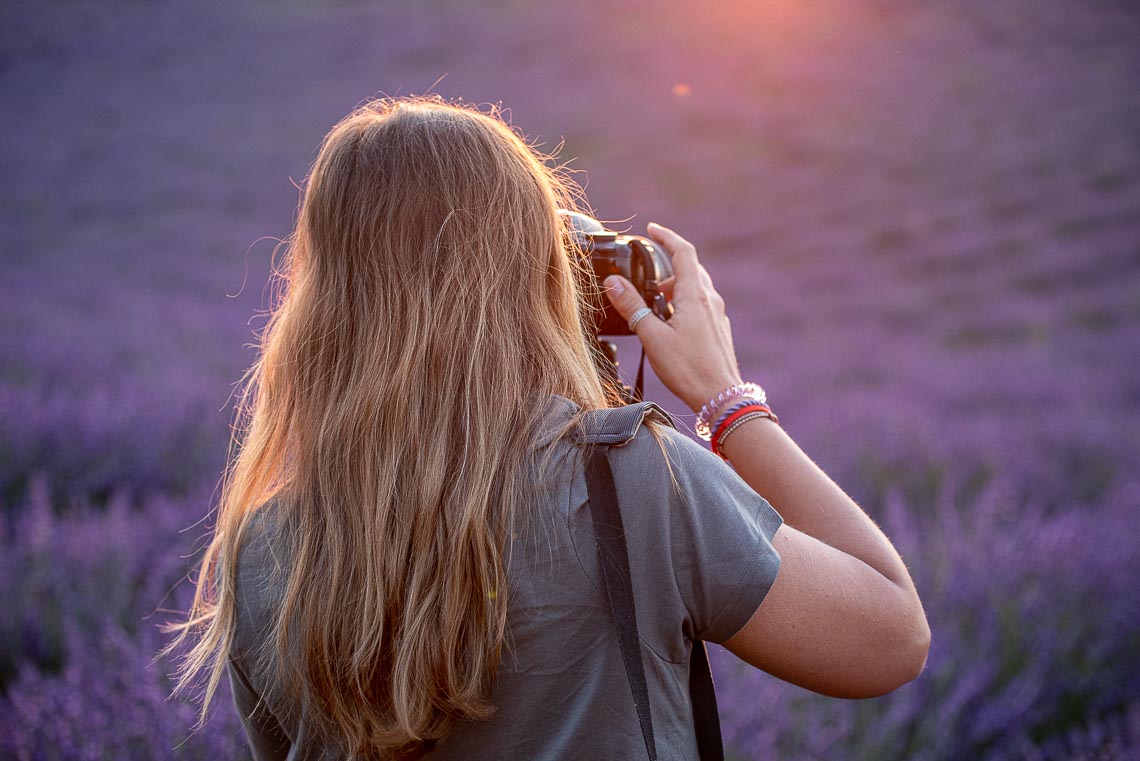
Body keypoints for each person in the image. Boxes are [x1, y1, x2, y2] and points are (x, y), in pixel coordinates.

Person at [164, 95, 930, 760]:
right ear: (536, 276)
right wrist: (726, 400)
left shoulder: (262, 550)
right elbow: (890, 636)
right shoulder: (633, 478)